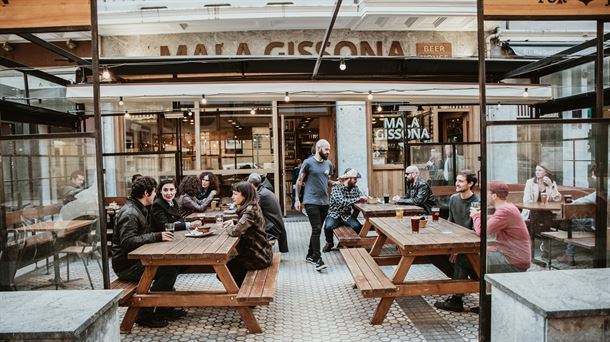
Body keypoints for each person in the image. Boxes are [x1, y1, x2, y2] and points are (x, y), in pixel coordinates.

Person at [111, 176, 185, 328]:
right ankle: (145, 313)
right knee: (169, 269)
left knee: (173, 266)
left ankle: (164, 308)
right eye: (154, 192)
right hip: (126, 266)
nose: (155, 195)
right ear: (146, 193)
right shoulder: (130, 213)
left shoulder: (138, 208)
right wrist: (157, 236)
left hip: (135, 260)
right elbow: (127, 242)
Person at [434, 170, 480, 312]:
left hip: (472, 246)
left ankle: (456, 299)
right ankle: (460, 283)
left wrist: (459, 248)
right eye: (457, 180)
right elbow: (450, 224)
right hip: (457, 242)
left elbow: (475, 231)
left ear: (470, 183)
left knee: (461, 258)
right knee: (434, 254)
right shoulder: (454, 198)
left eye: (461, 181)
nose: (457, 183)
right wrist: (452, 245)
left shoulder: (476, 203)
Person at [472, 180, 531, 273]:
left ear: (494, 196)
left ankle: (475, 285)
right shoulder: (508, 208)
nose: (483, 197)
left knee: (468, 258)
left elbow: (482, 231)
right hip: (513, 256)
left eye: (486, 193)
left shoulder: (505, 211)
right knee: (471, 256)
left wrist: (475, 216)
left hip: (514, 262)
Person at [295, 139, 335, 271]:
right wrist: (297, 199)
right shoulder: (308, 163)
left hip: (324, 201)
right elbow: (299, 181)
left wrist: (335, 183)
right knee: (317, 229)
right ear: (318, 148)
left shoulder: (328, 164)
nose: (328, 152)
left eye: (329, 149)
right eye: (326, 149)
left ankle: (309, 255)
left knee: (316, 230)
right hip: (311, 201)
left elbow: (326, 180)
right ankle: (318, 259)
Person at [222, 181, 273, 286]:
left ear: (244, 195)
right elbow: (248, 224)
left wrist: (228, 228)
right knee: (228, 267)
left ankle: (241, 293)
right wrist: (235, 222)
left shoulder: (250, 210)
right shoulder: (252, 206)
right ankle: (240, 290)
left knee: (224, 271)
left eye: (235, 194)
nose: (232, 197)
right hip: (262, 252)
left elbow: (236, 231)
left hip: (257, 257)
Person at [322, 168, 365, 253]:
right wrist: (358, 199)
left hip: (346, 215)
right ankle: (330, 243)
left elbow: (361, 196)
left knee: (358, 227)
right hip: (334, 214)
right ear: (348, 179)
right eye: (354, 179)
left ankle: (347, 243)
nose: (356, 181)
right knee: (328, 227)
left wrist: (364, 198)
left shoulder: (355, 188)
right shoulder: (337, 188)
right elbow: (342, 202)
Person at [248, 173, 289, 253]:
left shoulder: (261, 194)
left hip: (273, 228)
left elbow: (251, 209)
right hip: (276, 225)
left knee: (250, 228)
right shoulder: (264, 190)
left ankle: (261, 254)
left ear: (252, 185)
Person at [556, 192, 596, 266]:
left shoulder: (605, 190)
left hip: (601, 228)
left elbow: (583, 200)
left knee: (573, 219)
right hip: (606, 227)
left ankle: (569, 255)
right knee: (584, 221)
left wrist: (572, 203)